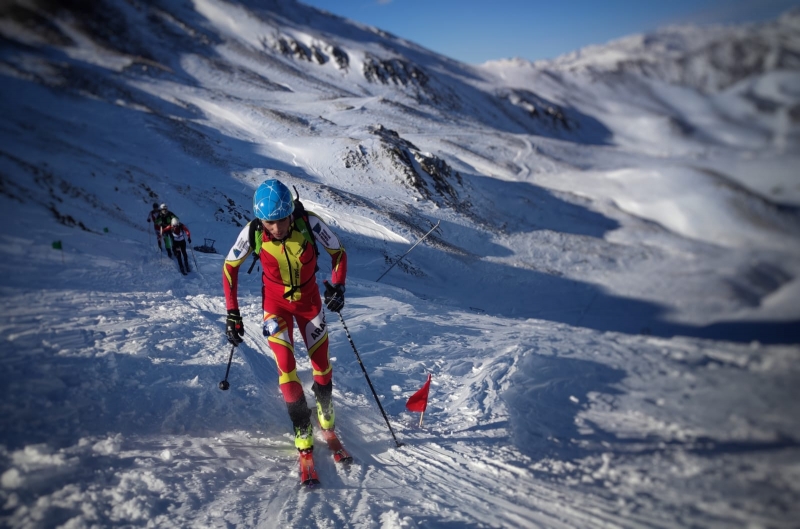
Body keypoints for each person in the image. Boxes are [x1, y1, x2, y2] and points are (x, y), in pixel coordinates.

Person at [222, 179, 347, 453]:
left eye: (282, 219)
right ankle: (301, 424)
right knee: (286, 366)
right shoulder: (253, 231)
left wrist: (337, 286)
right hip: (275, 305)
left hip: (309, 302)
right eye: (269, 222)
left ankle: (324, 405)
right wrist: (232, 312)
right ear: (260, 220)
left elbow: (338, 253)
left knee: (321, 364)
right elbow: (230, 267)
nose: (277, 228)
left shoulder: (310, 224)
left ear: (291, 211)